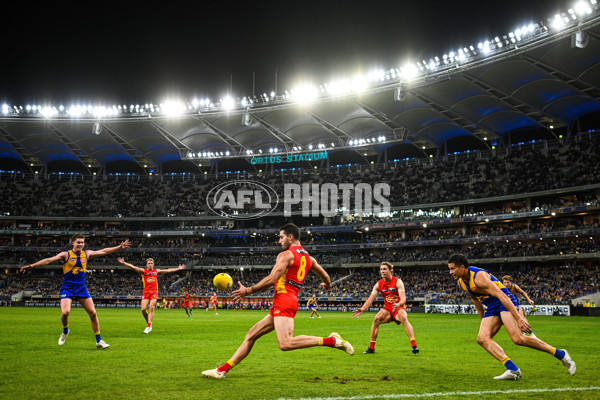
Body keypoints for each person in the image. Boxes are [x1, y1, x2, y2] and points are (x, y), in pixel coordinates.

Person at [202, 223, 354, 379]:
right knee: (251, 335)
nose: (279, 241)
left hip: (284, 299)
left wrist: (248, 291)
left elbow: (272, 279)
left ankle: (332, 341)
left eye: (281, 237)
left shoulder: (286, 255)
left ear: (290, 237)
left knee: (285, 343)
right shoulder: (309, 258)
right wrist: (327, 285)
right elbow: (326, 277)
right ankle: (222, 370)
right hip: (289, 299)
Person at [447, 253, 576, 380]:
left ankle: (561, 355)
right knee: (482, 338)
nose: (450, 272)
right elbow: (475, 299)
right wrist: (483, 320)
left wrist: (518, 318)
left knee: (518, 339)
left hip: (505, 300)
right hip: (492, 306)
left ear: (462, 267)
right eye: (450, 269)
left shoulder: (478, 276)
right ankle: (513, 370)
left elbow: (501, 295)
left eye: (452, 268)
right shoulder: (461, 283)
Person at [20, 234, 131, 348]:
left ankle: (99, 340)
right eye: (78, 242)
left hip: (81, 288)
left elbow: (103, 251)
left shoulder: (86, 254)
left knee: (93, 313)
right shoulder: (66, 254)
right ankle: (65, 330)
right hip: (68, 288)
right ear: (73, 243)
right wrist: (31, 266)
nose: (80, 244)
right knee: (65, 312)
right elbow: (48, 260)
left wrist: (119, 247)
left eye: (82, 242)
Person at [352, 262, 419, 355]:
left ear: (390, 270)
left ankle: (414, 345)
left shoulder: (398, 282)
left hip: (398, 307)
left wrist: (399, 303)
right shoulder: (378, 284)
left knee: (403, 318)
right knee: (376, 320)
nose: (382, 271)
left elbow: (403, 298)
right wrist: (363, 308)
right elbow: (371, 299)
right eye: (381, 269)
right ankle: (371, 348)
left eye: (384, 269)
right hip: (387, 308)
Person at [117, 257, 185, 333]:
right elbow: (133, 267)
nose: (150, 265)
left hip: (154, 292)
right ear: (146, 264)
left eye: (151, 263)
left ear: (153, 264)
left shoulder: (156, 271)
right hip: (146, 292)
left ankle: (149, 325)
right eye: (149, 263)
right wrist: (124, 263)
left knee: (151, 307)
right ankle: (149, 323)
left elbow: (168, 270)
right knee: (143, 309)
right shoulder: (143, 271)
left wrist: (178, 269)